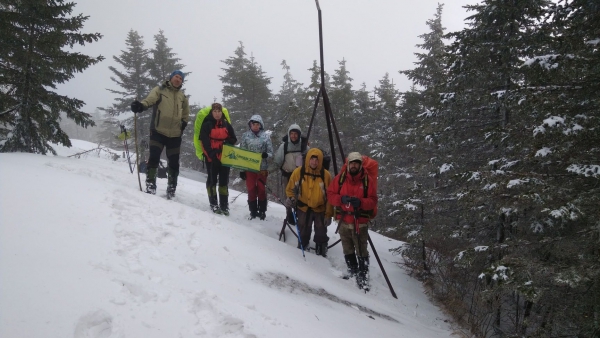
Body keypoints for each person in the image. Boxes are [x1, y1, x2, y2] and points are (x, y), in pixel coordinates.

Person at [130, 70, 190, 198]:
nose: (178, 79)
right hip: (158, 130)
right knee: (154, 157)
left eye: (180, 78)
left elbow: (185, 113)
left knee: (174, 162)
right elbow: (149, 100)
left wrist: (183, 123)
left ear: (182, 81)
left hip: (175, 134)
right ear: (171, 77)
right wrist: (140, 106)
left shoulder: (182, 97)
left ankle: (171, 187)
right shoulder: (160, 90)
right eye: (176, 76)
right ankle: (151, 184)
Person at [327, 152, 378, 290]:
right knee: (347, 248)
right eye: (352, 163)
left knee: (361, 250)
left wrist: (360, 202)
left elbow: (373, 201)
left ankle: (363, 276)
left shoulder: (367, 181)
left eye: (356, 163)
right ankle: (353, 270)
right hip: (344, 220)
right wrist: (341, 199)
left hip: (359, 221)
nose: (354, 165)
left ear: (360, 165)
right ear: (348, 164)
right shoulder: (340, 179)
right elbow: (330, 195)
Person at [285, 148, 333, 257]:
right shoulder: (299, 172)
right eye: (312, 159)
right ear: (307, 159)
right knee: (303, 231)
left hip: (320, 209)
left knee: (321, 233)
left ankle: (321, 253)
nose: (314, 162)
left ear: (320, 161)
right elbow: (290, 189)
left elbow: (331, 196)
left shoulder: (325, 175)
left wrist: (329, 214)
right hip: (303, 208)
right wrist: (291, 198)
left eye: (317, 160)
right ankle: (302, 249)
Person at [199, 103, 237, 215]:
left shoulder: (226, 124)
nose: (217, 114)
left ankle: (224, 206)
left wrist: (227, 142)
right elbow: (204, 142)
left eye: (219, 111)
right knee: (212, 180)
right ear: (212, 112)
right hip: (212, 158)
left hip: (224, 157)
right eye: (215, 111)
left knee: (224, 181)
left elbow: (233, 138)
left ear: (222, 112)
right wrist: (211, 155)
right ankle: (214, 204)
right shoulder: (206, 124)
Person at [239, 115, 273, 220]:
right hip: (249, 168)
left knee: (262, 189)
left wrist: (266, 155)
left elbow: (271, 152)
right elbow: (242, 153)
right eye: (253, 124)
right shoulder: (245, 136)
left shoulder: (266, 137)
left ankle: (262, 211)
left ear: (260, 125)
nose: (255, 126)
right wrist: (242, 170)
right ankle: (253, 211)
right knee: (251, 189)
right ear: (250, 124)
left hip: (262, 169)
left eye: (257, 124)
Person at [273, 124, 308, 225]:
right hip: (287, 176)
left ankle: (300, 216)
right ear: (289, 134)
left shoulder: (304, 146)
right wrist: (266, 171)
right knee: (289, 197)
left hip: (301, 177)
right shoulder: (284, 146)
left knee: (301, 197)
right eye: (291, 134)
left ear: (299, 134)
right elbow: (277, 162)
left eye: (295, 134)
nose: (293, 136)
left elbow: (311, 161)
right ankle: (290, 216)